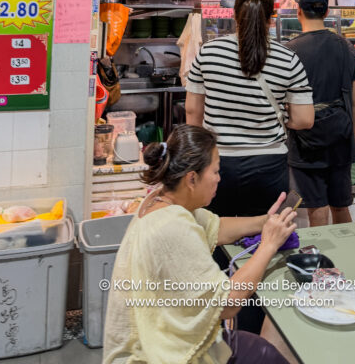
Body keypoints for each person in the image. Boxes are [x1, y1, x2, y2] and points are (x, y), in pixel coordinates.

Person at [102, 124, 296, 364]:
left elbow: (218, 227)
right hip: (151, 354)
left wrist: (267, 221)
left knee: (257, 344)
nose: (219, 179)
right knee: (265, 353)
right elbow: (229, 303)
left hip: (161, 334)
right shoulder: (172, 226)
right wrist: (268, 245)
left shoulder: (161, 200)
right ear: (192, 178)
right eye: (215, 172)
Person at [185, 0, 314, 217]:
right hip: (269, 165)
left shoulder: (208, 52)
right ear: (271, 18)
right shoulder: (289, 59)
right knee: (266, 238)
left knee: (216, 235)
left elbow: (193, 113)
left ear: (235, 15)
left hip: (217, 163)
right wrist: (280, 117)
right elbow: (304, 120)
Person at [285, 0, 355, 227]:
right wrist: (351, 130)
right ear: (327, 11)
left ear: (298, 11)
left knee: (316, 208)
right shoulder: (346, 47)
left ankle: (324, 265)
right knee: (341, 205)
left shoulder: (289, 50)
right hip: (340, 137)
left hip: (304, 141)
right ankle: (350, 256)